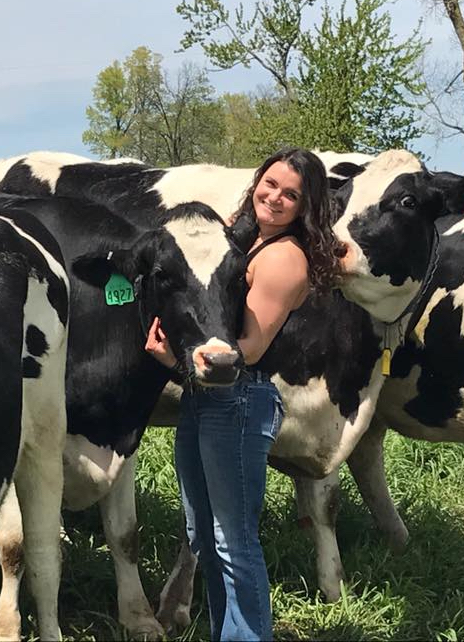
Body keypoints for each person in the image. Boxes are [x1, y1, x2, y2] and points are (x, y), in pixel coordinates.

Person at [145, 147, 343, 641]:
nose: (274, 198)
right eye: (270, 184)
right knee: (204, 536)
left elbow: (248, 351)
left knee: (233, 540)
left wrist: (173, 361)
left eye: (291, 195)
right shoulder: (248, 242)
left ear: (305, 207)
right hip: (207, 399)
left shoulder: (282, 258)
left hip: (239, 400)